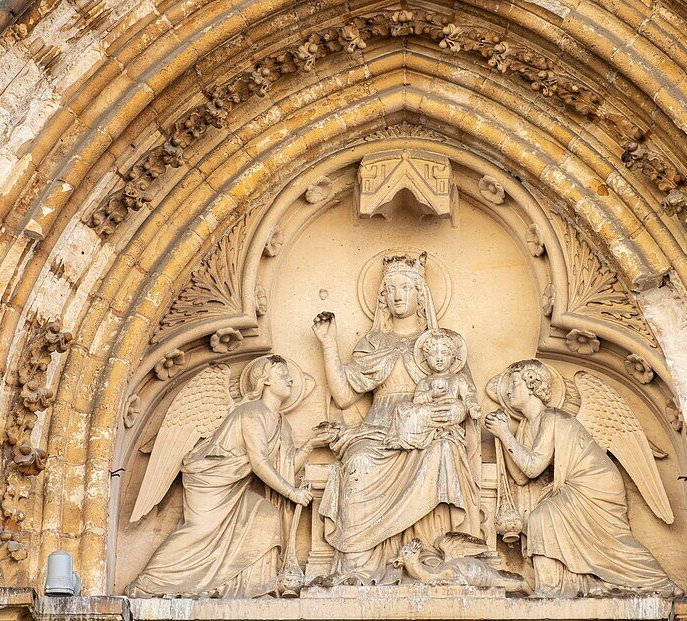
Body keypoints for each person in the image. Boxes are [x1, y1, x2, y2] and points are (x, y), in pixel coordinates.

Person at [312, 253, 481, 585]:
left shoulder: (439, 343)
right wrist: (328, 344)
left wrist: (457, 412)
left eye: (405, 287)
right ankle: (358, 562)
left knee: (442, 451)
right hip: (378, 427)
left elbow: (466, 395)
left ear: (421, 293)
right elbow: (345, 395)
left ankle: (430, 552)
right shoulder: (373, 343)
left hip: (431, 427)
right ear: (381, 298)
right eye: (390, 289)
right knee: (358, 462)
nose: (398, 295)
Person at [126, 356, 331, 598]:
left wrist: (310, 446)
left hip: (236, 487)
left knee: (265, 516)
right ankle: (147, 583)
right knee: (199, 530)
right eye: (282, 374)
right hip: (211, 480)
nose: (290, 379)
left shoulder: (282, 424)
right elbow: (259, 463)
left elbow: (285, 468)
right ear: (265, 380)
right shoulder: (251, 412)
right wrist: (292, 493)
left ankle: (252, 587)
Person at [484, 360, 680, 598]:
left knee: (608, 541)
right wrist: (504, 438)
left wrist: (505, 435)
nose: (507, 391)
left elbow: (533, 467)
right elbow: (522, 477)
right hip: (574, 486)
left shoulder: (551, 417)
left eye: (514, 383)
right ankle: (555, 587)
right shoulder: (526, 426)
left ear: (532, 385)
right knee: (542, 518)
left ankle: (656, 581)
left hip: (594, 482)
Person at [386, 329, 481, 450]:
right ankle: (405, 438)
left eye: (445, 354)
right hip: (430, 413)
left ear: (453, 358)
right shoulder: (425, 382)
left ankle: (435, 427)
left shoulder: (458, 379)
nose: (439, 358)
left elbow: (468, 396)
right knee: (402, 407)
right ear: (426, 358)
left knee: (457, 406)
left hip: (448, 411)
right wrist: (431, 393)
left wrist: (472, 407)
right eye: (433, 354)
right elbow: (417, 400)